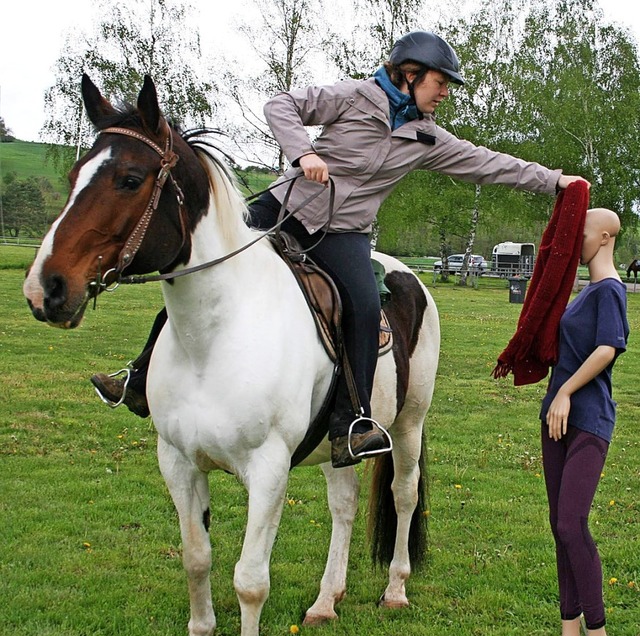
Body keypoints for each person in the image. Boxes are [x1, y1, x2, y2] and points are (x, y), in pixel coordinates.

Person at [92, 30, 588, 468]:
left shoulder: (426, 138)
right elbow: (280, 106)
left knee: (366, 303)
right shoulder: (352, 97)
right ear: (409, 75)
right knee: (201, 274)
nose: (444, 94)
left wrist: (556, 181)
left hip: (345, 234)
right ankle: (139, 375)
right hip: (284, 209)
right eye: (440, 83)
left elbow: (489, 163)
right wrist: (303, 151)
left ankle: (352, 423)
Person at [540, 208, 629, 636]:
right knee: (560, 528)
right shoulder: (583, 292)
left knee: (573, 524)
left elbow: (609, 347)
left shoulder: (610, 290)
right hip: (556, 420)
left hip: (589, 419)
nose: (576, 242)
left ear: (606, 236)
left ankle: (599, 635)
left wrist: (566, 392)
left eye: (583, 234)